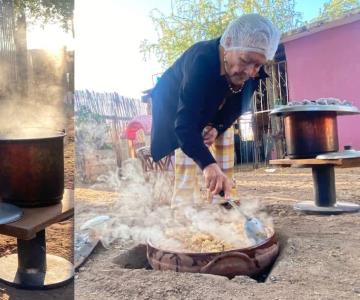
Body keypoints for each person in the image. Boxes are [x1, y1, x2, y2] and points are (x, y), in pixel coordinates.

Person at [150, 14, 280, 207]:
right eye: (245, 60)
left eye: (258, 64)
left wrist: (218, 126)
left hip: (214, 108)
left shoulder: (252, 71)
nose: (251, 72)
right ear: (228, 43)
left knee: (223, 149)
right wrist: (208, 165)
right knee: (190, 150)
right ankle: (184, 210)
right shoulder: (200, 61)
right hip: (175, 104)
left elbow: (238, 106)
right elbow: (185, 125)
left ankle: (224, 204)